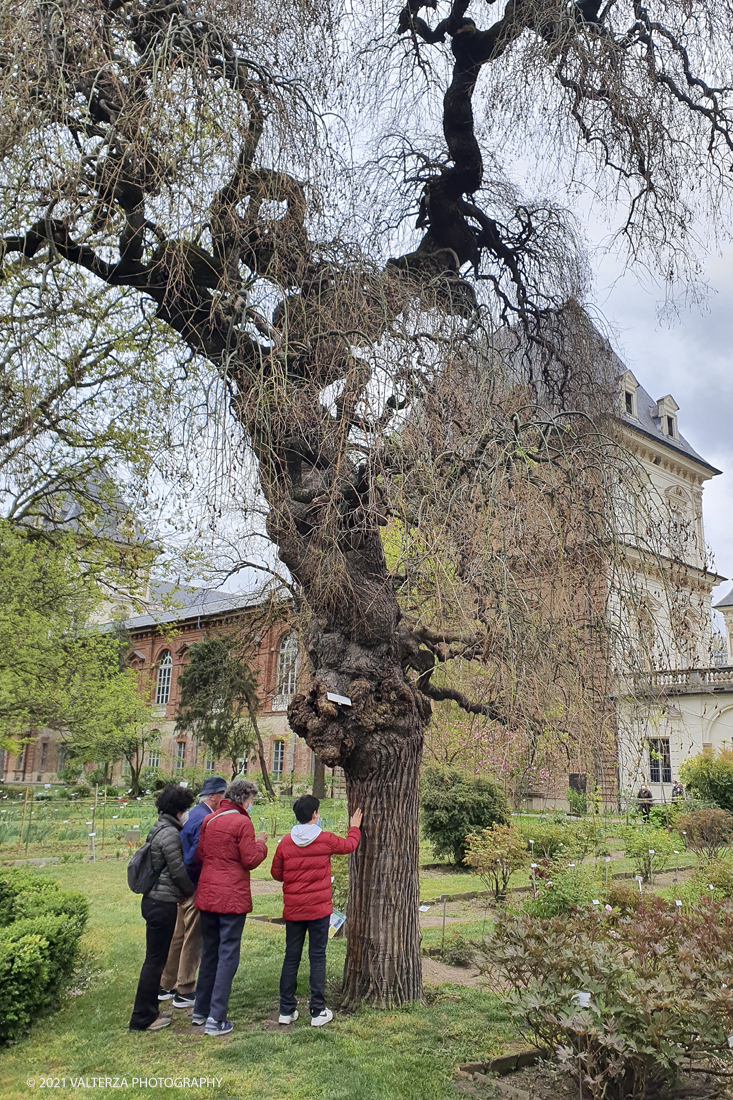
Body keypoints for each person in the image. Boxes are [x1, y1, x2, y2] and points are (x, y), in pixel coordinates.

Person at [272, 795, 362, 1027]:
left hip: (293, 910)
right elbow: (349, 846)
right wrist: (354, 828)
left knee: (291, 957)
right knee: (317, 957)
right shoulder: (325, 839)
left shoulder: (285, 842)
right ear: (314, 814)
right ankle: (317, 1010)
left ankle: (285, 1010)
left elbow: (276, 873)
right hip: (319, 910)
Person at [191, 778, 268, 1036]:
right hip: (231, 896)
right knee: (227, 954)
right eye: (251, 799)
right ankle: (216, 1017)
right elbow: (249, 859)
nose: (252, 803)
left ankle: (200, 1011)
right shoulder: (242, 822)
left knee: (210, 952)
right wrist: (261, 844)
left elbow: (201, 854)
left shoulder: (209, 819)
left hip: (208, 894)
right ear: (245, 799)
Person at [129, 784, 195, 1032]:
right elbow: (177, 870)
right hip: (162, 902)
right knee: (155, 962)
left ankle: (149, 1012)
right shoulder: (169, 834)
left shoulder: (161, 827)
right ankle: (142, 1017)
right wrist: (190, 890)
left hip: (156, 900)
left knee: (154, 960)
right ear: (179, 810)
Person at [158, 775, 228, 1009]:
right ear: (215, 797)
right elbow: (196, 854)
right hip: (195, 883)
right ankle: (185, 988)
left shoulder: (194, 814)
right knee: (193, 936)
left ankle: (166, 984)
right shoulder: (204, 818)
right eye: (223, 796)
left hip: (181, 884)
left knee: (178, 935)